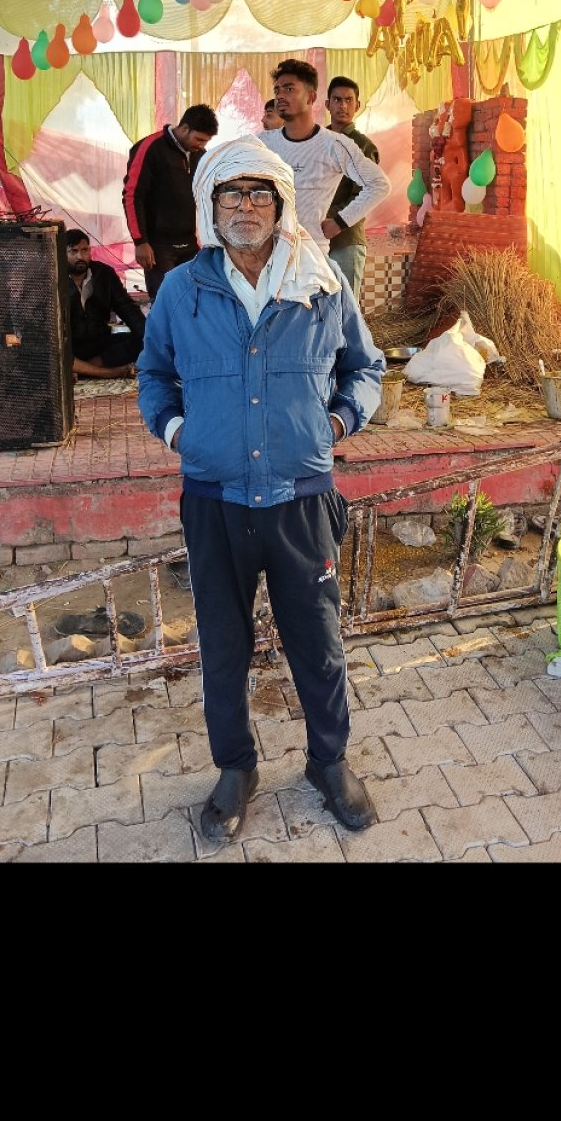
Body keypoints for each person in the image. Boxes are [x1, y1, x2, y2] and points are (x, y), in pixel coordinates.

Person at [137, 135, 386, 844]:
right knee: (222, 642)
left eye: (259, 194)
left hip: (301, 497)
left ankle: (329, 763)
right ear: (209, 207)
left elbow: (365, 368)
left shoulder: (322, 281)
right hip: (214, 497)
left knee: (318, 641)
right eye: (230, 195)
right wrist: (178, 431)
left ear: (281, 205)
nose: (245, 207)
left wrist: (340, 419)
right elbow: (153, 374)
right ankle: (235, 767)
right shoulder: (184, 289)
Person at [266, 58, 390, 261]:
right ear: (327, 104)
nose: (280, 96)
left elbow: (378, 185)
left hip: (332, 245)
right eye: (277, 90)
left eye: (289, 89)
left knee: (342, 292)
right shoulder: (264, 143)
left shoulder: (339, 144)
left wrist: (338, 221)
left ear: (310, 97)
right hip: (275, 253)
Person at [122, 104, 218, 302]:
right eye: (199, 139)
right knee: (165, 302)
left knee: (197, 299)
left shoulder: (200, 154)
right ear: (184, 128)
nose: (201, 145)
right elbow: (132, 196)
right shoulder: (150, 147)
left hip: (190, 240)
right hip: (158, 246)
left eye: (205, 141)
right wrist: (140, 242)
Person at [324, 75, 381, 299]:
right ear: (327, 104)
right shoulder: (318, 141)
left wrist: (329, 218)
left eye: (348, 100)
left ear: (357, 105)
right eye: (337, 100)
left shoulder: (363, 146)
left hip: (346, 239)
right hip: (315, 237)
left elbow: (365, 195)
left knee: (347, 308)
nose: (343, 106)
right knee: (321, 308)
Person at [65, 228, 147, 379]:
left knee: (138, 340)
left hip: (98, 342)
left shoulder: (104, 274)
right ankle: (108, 373)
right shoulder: (54, 278)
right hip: (70, 346)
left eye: (84, 250)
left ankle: (82, 370)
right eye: (73, 251)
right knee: (48, 351)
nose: (80, 256)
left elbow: (126, 307)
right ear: (62, 254)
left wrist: (148, 335)